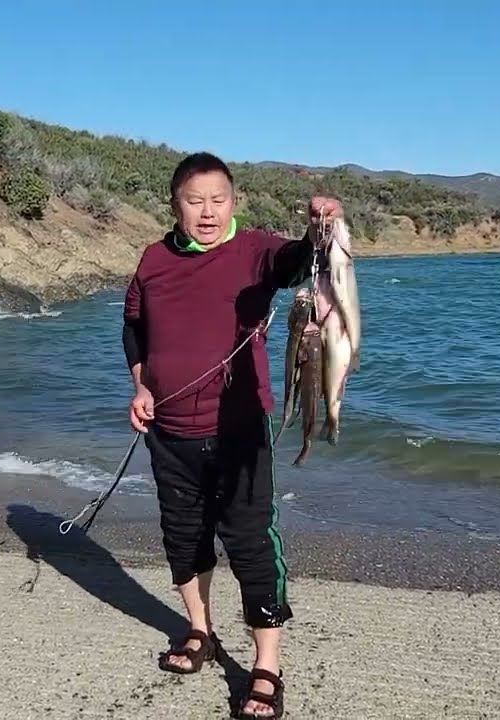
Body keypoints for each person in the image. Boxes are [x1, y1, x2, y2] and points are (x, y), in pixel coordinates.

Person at [121, 151, 343, 719]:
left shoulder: (255, 250)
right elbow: (134, 330)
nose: (207, 212)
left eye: (218, 200)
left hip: (242, 431)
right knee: (183, 539)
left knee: (249, 543)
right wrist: (141, 387)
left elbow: (296, 263)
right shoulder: (152, 260)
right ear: (175, 205)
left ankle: (266, 665)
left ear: (233, 203)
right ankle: (202, 632)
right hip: (168, 431)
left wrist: (318, 228)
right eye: (194, 201)